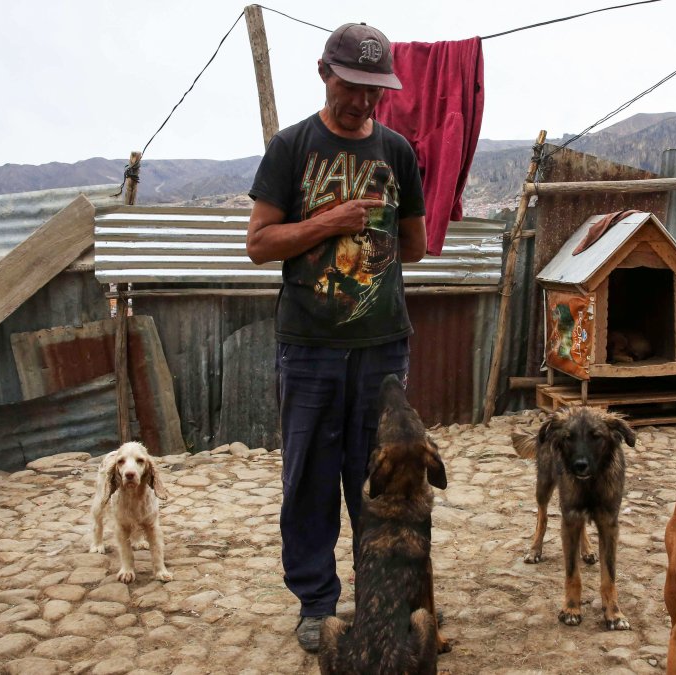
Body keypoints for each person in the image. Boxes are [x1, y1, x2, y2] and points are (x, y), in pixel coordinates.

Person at [245, 22, 426, 653]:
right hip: (310, 346)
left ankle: (384, 598)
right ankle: (317, 603)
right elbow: (259, 244)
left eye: (375, 90)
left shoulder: (398, 152)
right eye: (352, 86)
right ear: (325, 73)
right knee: (310, 478)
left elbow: (417, 247)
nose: (364, 101)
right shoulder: (291, 148)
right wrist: (331, 222)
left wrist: (378, 240)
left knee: (383, 481)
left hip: (382, 347)